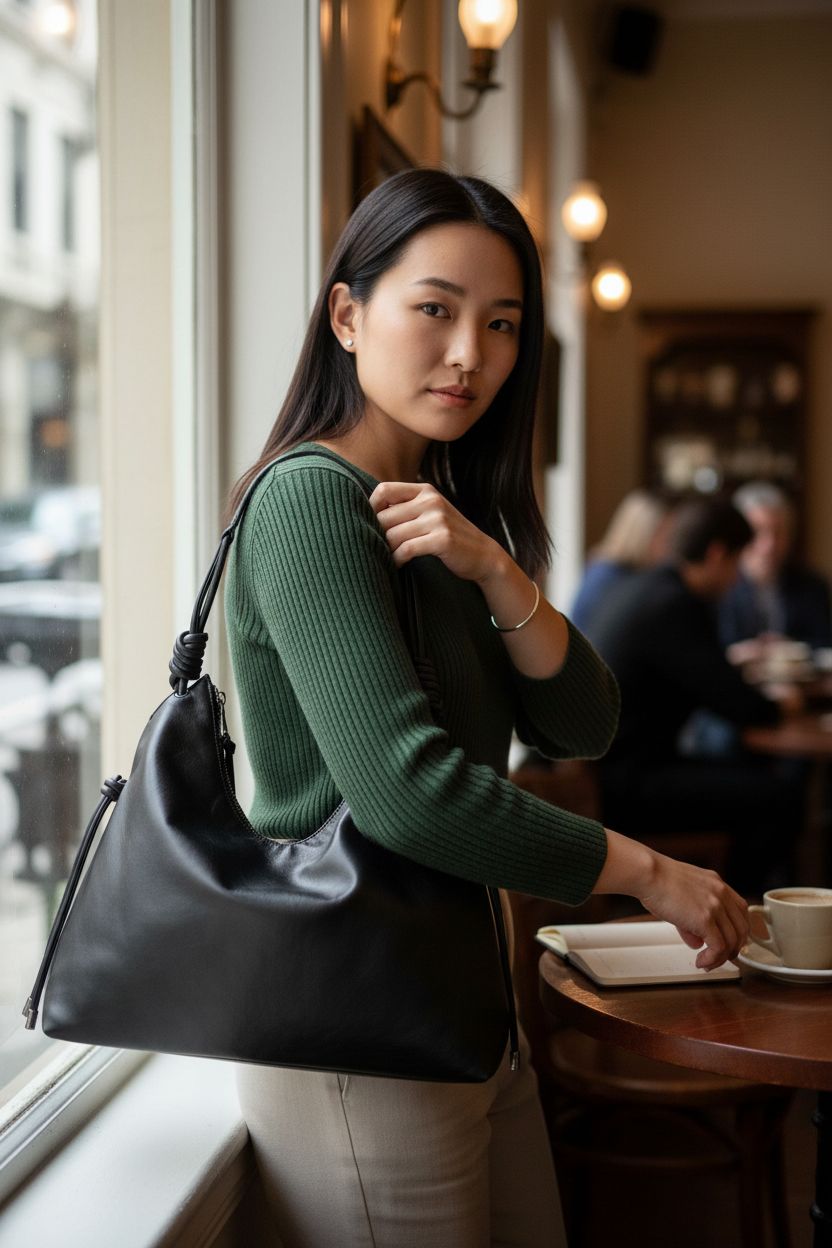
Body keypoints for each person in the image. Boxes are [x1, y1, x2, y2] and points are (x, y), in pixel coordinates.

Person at [222, 169, 748, 1248]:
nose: (471, 354)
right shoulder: (310, 503)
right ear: (346, 313)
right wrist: (649, 873)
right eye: (435, 309)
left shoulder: (437, 519)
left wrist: (500, 576)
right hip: (358, 1035)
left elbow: (580, 725)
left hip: (460, 1013)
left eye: (501, 324)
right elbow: (407, 799)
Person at [586, 497, 803, 893]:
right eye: (737, 563)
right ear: (718, 554)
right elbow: (741, 706)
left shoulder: (646, 586)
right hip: (624, 786)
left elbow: (708, 680)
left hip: (607, 771)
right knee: (779, 796)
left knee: (749, 773)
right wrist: (788, 704)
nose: (737, 578)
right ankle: (742, 914)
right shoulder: (675, 604)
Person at [720, 480, 832, 656]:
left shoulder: (813, 585)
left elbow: (825, 645)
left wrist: (793, 649)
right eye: (757, 532)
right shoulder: (718, 587)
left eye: (778, 532)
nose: (769, 545)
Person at [570, 489, 670, 632]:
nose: (668, 544)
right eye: (663, 535)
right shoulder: (610, 576)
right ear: (641, 534)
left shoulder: (611, 568)